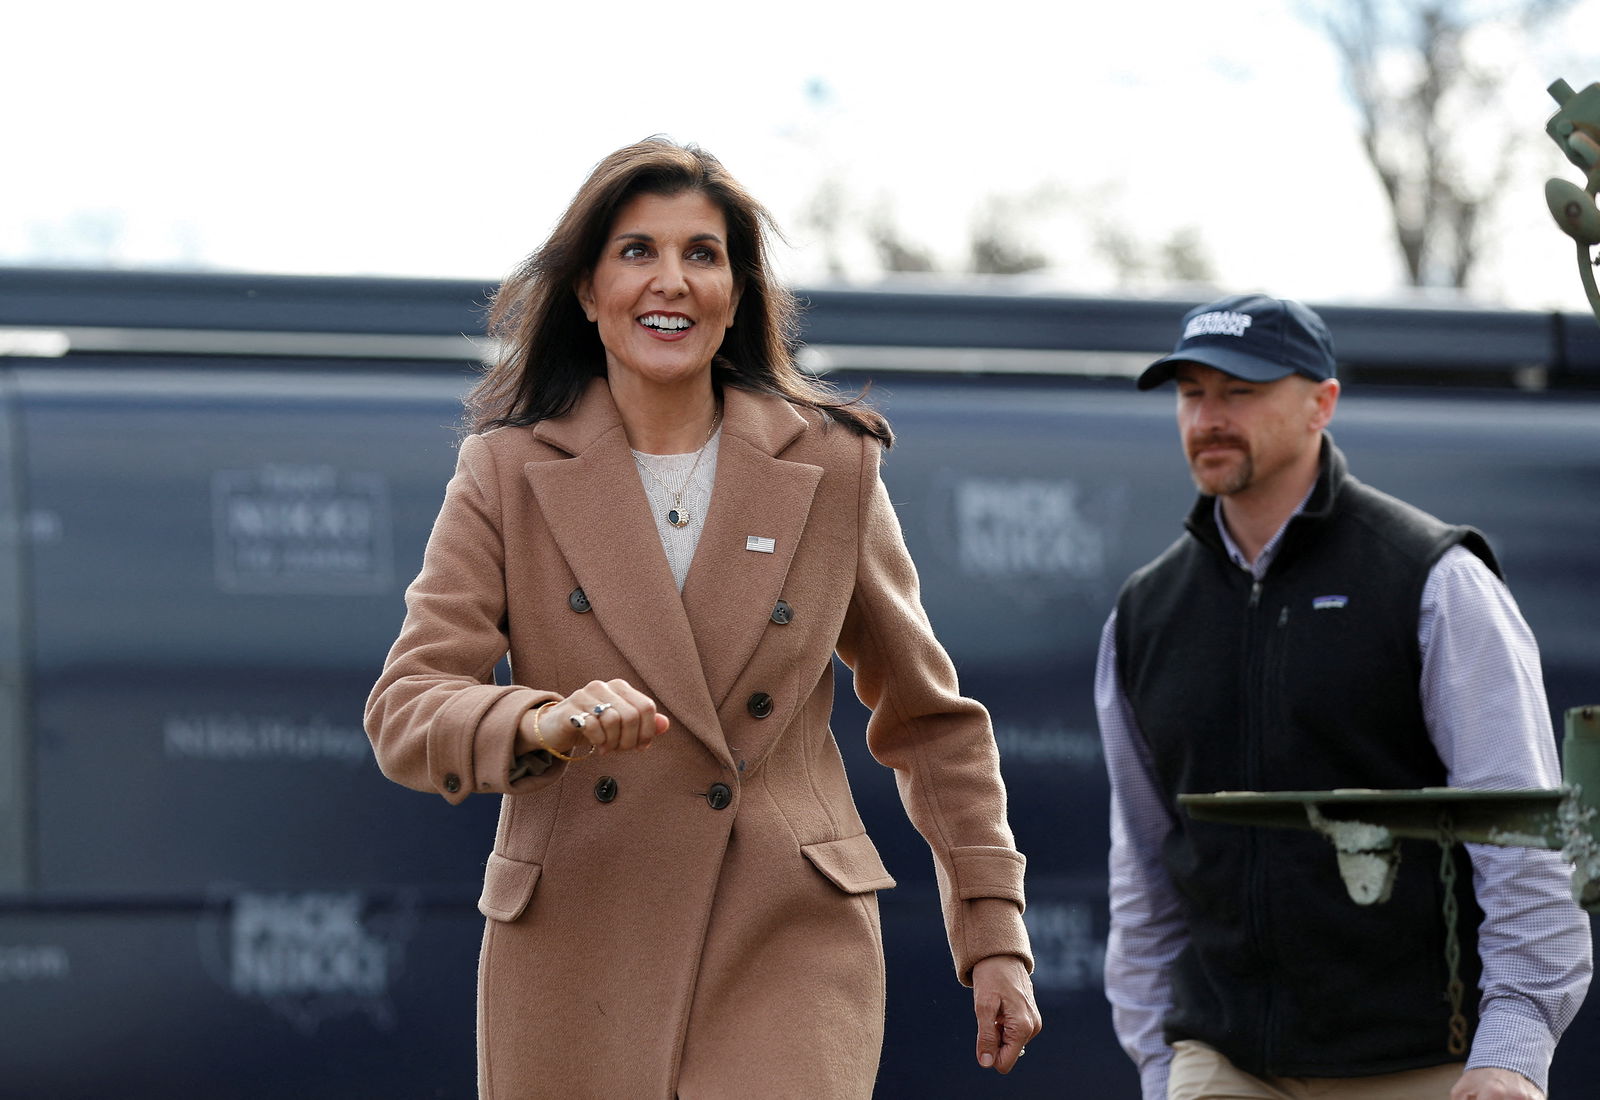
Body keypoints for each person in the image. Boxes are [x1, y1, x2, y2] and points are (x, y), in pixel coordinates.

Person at [363, 138, 1040, 1099]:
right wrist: (539, 723)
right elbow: (407, 707)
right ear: (589, 292)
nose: (668, 280)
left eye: (702, 253)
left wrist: (994, 932)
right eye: (636, 251)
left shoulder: (834, 467)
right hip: (580, 944)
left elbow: (932, 723)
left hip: (786, 937)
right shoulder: (506, 473)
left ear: (737, 291)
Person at [1096, 293, 1592, 1100]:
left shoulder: (1434, 582)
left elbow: (1526, 838)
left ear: (1321, 403)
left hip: (1421, 1063)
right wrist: (1161, 1066)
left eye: (1240, 391)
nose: (1208, 417)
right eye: (1192, 393)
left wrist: (1513, 1047)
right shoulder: (1145, 615)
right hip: (1221, 1064)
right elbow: (1146, 870)